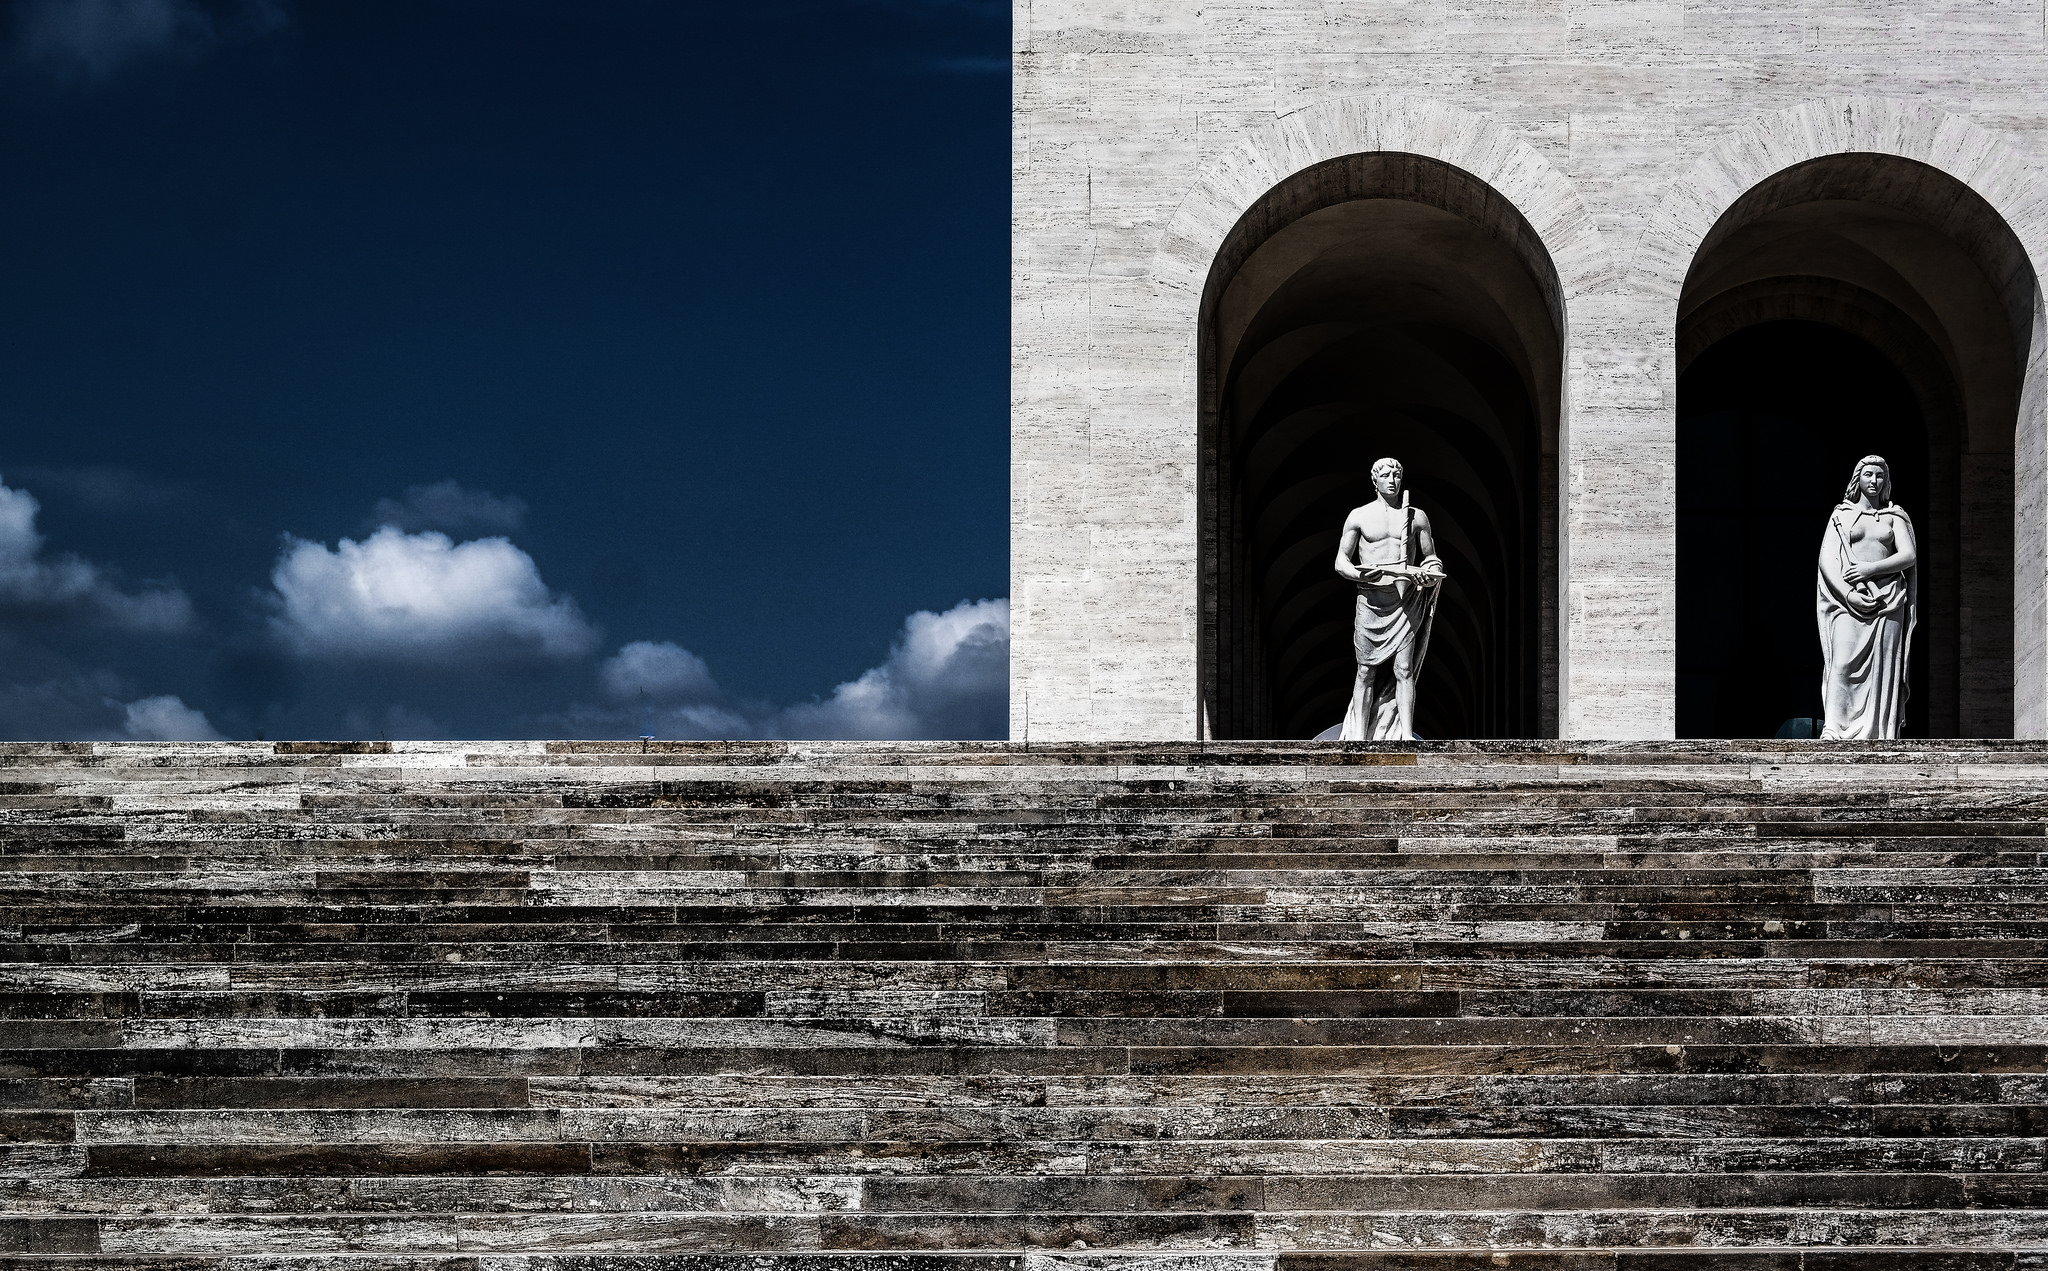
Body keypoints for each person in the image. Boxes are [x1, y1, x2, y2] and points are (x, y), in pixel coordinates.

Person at [1333, 457, 1445, 740]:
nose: (1392, 481)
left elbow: (1431, 558)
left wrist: (1429, 573)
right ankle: (1358, 736)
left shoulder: (1415, 517)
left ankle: (1406, 734)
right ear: (1375, 480)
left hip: (1404, 603)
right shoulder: (1359, 516)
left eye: (1396, 475)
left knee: (1404, 669)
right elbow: (1341, 562)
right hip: (1371, 601)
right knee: (1365, 670)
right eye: (1386, 476)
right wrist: (1359, 576)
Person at [1817, 454, 1917, 739]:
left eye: (1880, 475)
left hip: (1888, 600)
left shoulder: (1894, 516)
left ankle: (1876, 730)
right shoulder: (1842, 516)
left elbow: (1908, 555)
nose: (1874, 481)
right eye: (1868, 475)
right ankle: (1833, 727)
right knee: (1842, 661)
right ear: (1857, 479)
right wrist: (1848, 595)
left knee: (1883, 668)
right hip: (1850, 602)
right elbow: (1828, 561)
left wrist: (1869, 569)